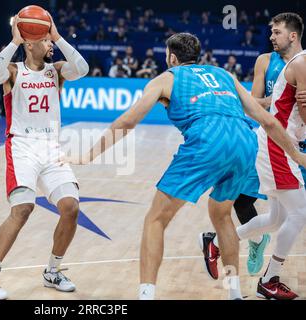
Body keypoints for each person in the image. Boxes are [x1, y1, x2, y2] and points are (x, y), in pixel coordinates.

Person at [64, 33, 306, 300]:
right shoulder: (224, 74)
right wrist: (295, 154)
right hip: (246, 143)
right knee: (222, 214)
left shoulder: (167, 78)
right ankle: (234, 294)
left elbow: (128, 121)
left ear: (172, 57)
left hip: (207, 140)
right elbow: (268, 121)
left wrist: (89, 154)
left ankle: (146, 295)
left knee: (155, 220)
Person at [0, 12, 89, 300]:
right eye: (46, 40)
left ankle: (53, 270)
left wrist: (58, 35)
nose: (51, 44)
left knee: (71, 207)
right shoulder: (13, 71)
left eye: (51, 40)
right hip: (22, 146)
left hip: (51, 148)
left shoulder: (58, 70)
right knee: (23, 209)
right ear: (30, 43)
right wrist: (15, 41)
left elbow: (83, 68)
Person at [200, 13, 306, 282]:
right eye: (271, 32)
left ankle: (216, 243)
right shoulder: (294, 63)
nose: (271, 37)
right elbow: (300, 114)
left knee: (276, 219)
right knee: (299, 212)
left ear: (292, 35)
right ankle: (271, 280)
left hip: (281, 141)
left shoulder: (299, 63)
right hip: (275, 142)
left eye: (277, 32)